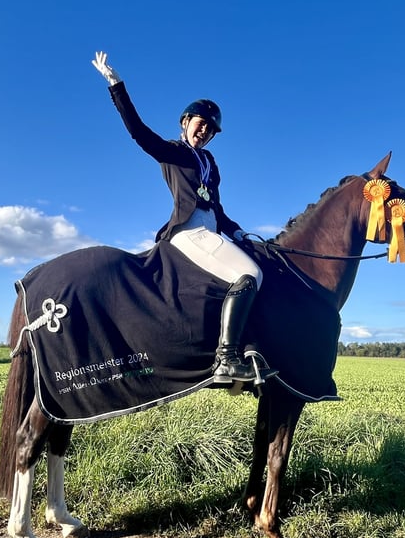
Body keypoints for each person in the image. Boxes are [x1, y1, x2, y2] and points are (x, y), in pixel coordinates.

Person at [91, 51, 273, 383]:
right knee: (250, 273)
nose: (204, 131)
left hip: (213, 231)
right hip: (188, 232)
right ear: (186, 122)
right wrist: (116, 86)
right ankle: (226, 361)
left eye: (210, 130)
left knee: (255, 262)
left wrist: (240, 232)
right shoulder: (173, 153)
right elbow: (139, 133)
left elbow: (216, 207)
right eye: (200, 124)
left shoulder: (211, 163)